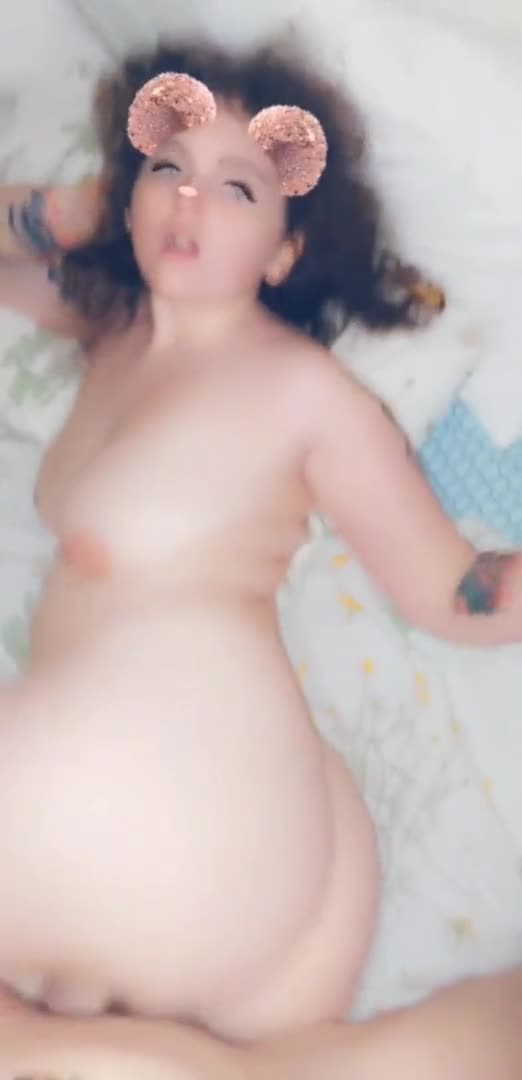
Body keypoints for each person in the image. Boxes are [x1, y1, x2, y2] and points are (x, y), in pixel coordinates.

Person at [0, 37, 520, 1078]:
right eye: (169, 168)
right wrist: (80, 210)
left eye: (238, 187)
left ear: (284, 254)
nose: (190, 199)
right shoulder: (107, 332)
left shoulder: (302, 389)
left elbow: (453, 593)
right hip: (161, 882)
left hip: (199, 848)